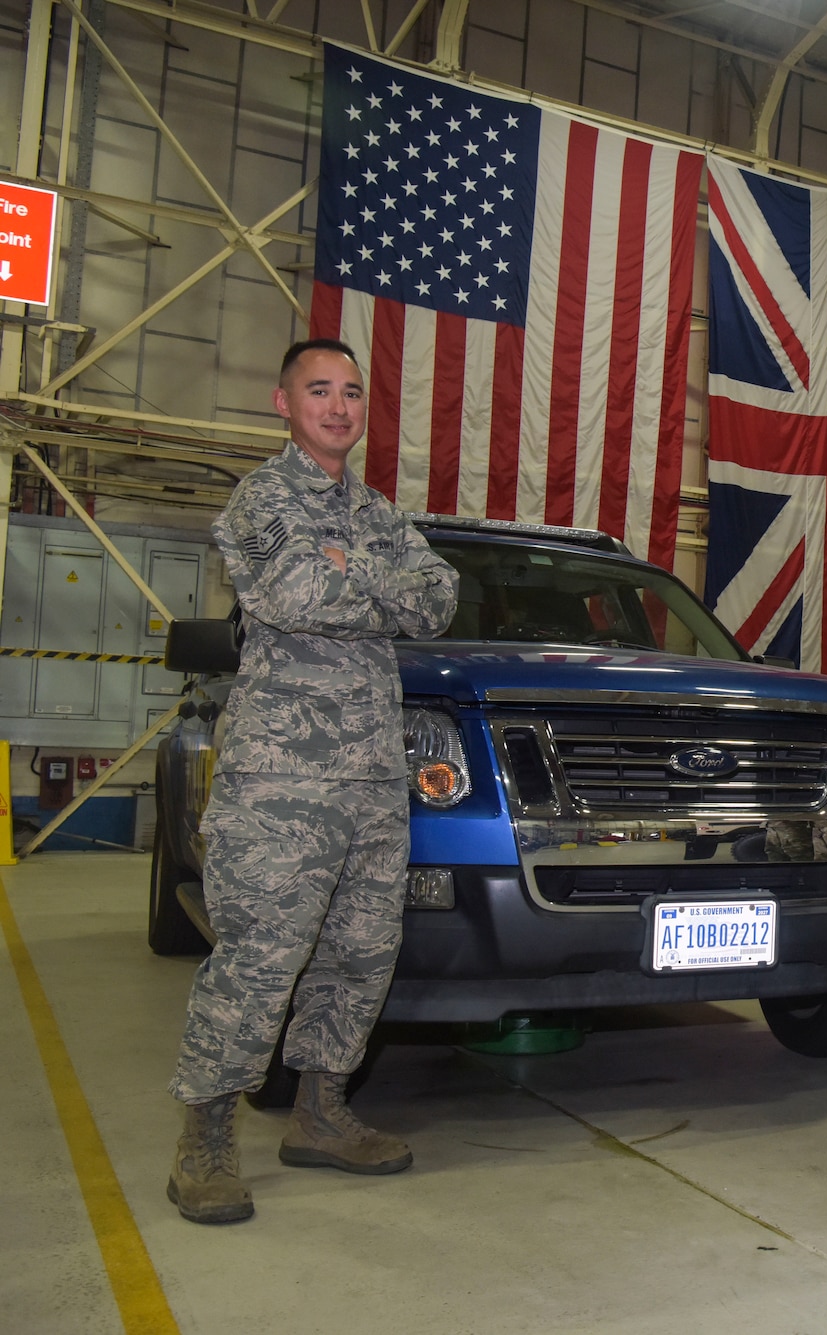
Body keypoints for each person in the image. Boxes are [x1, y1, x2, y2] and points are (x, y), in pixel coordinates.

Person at [167, 339, 459, 1224]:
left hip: (373, 776)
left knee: (360, 956)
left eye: (351, 392)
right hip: (280, 781)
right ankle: (203, 1141)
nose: (339, 406)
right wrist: (377, 584)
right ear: (283, 402)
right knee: (259, 959)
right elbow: (297, 596)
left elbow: (440, 599)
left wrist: (353, 567)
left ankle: (321, 1114)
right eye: (319, 390)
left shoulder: (373, 511)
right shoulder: (263, 498)